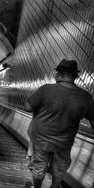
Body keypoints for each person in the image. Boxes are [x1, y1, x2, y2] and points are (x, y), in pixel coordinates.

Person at [24, 59, 94, 188]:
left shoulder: (46, 89)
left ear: (58, 74)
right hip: (64, 142)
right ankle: (55, 186)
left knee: (39, 165)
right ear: (76, 76)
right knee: (59, 168)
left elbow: (27, 107)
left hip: (41, 139)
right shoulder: (86, 97)